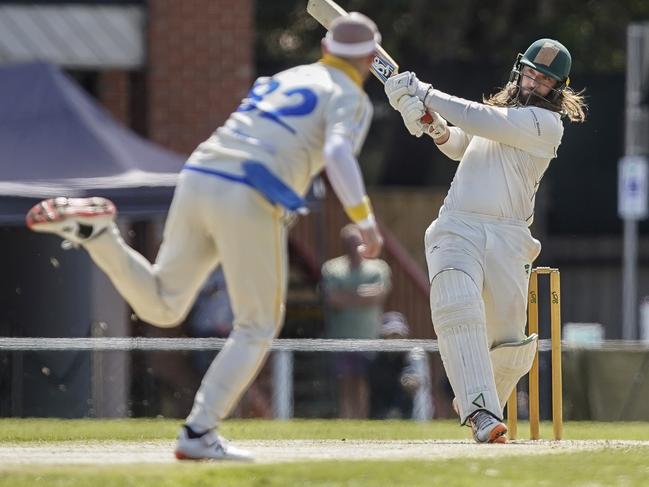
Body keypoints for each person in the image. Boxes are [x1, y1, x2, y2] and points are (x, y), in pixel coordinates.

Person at [26, 12, 384, 461]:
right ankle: (198, 432)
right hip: (252, 191)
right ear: (371, 59)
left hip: (199, 173)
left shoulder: (288, 74)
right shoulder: (350, 96)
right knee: (257, 325)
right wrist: (364, 218)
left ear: (326, 49)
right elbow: (335, 153)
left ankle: (100, 236)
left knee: (163, 303)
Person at [384, 39, 587, 443]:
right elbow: (465, 144)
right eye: (530, 72)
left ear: (557, 88)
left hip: (509, 238)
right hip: (457, 224)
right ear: (519, 69)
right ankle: (481, 412)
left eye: (544, 79)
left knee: (509, 341)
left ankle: (475, 397)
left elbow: (479, 120)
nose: (533, 81)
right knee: (457, 304)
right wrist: (436, 128)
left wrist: (423, 92)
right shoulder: (500, 116)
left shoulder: (546, 126)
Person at [321, 224, 391, 418]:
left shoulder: (378, 268)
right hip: (341, 338)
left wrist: (347, 296)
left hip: (368, 337)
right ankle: (347, 418)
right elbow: (332, 299)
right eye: (349, 243)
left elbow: (378, 295)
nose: (353, 247)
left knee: (363, 381)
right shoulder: (332, 268)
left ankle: (361, 418)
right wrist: (361, 295)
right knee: (345, 381)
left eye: (356, 243)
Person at [368, 311, 421, 419]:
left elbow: (415, 381)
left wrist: (410, 383)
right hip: (380, 414)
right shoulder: (375, 360)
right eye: (392, 335)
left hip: (407, 414)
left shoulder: (411, 356)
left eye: (398, 336)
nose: (396, 339)